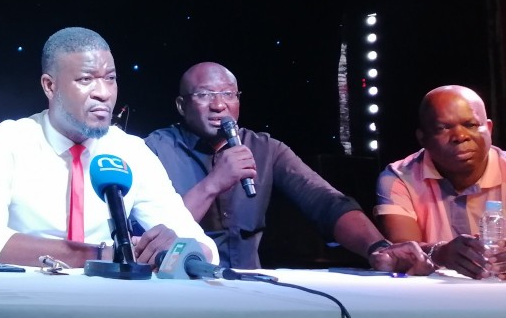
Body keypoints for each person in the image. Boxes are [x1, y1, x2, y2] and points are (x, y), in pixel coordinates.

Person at [0, 27, 217, 268]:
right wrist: (103, 255)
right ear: (50, 86)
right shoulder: (4, 142)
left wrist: (176, 248)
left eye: (110, 78)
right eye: (85, 79)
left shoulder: (133, 152)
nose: (104, 93)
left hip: (108, 300)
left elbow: (206, 251)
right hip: (21, 297)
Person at [144, 61, 429, 273]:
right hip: (182, 288)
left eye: (229, 94)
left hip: (247, 287)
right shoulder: (154, 149)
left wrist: (378, 248)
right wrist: (214, 183)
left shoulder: (265, 149)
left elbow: (325, 202)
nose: (219, 105)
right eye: (205, 95)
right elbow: (153, 232)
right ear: (181, 105)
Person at [376, 84, 506, 279]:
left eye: (470, 125)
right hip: (432, 295)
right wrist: (439, 252)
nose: (460, 136)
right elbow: (403, 252)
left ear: (488, 128)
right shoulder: (399, 178)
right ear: (423, 138)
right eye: (443, 128)